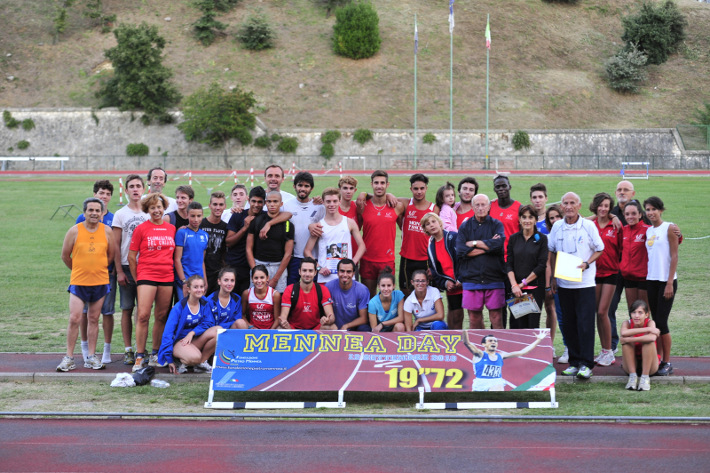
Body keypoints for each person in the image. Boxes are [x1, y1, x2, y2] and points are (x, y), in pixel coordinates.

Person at [548, 192, 604, 380]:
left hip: (585, 284)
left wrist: (587, 263)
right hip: (564, 284)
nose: (569, 206)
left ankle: (587, 364)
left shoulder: (588, 226)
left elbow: (599, 248)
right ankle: (574, 362)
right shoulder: (557, 226)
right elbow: (552, 251)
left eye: (573, 203)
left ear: (579, 206)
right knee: (569, 325)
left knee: (585, 325)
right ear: (561, 206)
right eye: (565, 203)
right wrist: (554, 278)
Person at [57, 198, 115, 372]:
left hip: (100, 282)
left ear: (102, 213)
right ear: (84, 212)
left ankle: (91, 357)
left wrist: (98, 269)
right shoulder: (74, 231)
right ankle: (68, 357)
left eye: (98, 210)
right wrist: (79, 270)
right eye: (91, 210)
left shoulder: (107, 231)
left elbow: (111, 255)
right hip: (78, 282)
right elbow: (65, 255)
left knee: (93, 319)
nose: (94, 213)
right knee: (75, 318)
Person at [128, 193, 176, 372]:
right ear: (147, 210)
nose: (156, 210)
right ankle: (140, 355)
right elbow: (131, 256)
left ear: (164, 208)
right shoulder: (141, 228)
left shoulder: (171, 228)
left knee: (162, 316)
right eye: (153, 208)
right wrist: (137, 279)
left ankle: (156, 353)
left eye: (159, 207)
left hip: (167, 277)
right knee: (143, 315)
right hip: (146, 275)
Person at [75, 180, 116, 365]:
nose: (104, 196)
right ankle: (85, 347)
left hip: (106, 274)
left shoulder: (113, 219)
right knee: (84, 313)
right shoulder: (80, 219)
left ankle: (106, 349)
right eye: (101, 193)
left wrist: (105, 268)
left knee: (106, 311)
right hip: (84, 276)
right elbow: (73, 250)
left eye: (107, 193)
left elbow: (112, 251)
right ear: (95, 194)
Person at [112, 174, 149, 365]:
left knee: (143, 311)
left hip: (146, 267)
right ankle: (128, 349)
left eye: (138, 186)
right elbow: (116, 245)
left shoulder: (149, 213)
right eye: (131, 186)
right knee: (127, 308)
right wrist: (119, 270)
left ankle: (140, 348)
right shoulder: (121, 214)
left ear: (144, 189)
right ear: (126, 191)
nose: (135, 189)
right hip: (127, 267)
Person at [455, 194, 506, 329]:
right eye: (477, 205)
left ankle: (498, 347)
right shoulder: (465, 227)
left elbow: (499, 245)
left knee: (496, 316)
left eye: (483, 204)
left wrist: (474, 243)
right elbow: (460, 251)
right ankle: (478, 347)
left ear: (489, 206)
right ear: (472, 207)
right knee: (474, 317)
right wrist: (489, 247)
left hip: (494, 277)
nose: (480, 208)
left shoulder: (496, 224)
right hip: (471, 278)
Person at [644, 196, 679, 376]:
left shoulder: (670, 228)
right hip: (651, 280)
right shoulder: (649, 231)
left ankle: (667, 361)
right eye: (648, 210)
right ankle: (656, 358)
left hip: (666, 282)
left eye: (653, 209)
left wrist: (669, 282)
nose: (651, 213)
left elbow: (674, 256)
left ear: (661, 210)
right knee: (655, 322)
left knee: (662, 323)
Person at [359, 170, 406, 297]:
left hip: (387, 260)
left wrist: (390, 195)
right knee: (367, 296)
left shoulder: (397, 206)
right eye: (376, 183)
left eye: (382, 183)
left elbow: (404, 228)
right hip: (367, 259)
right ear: (371, 184)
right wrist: (363, 194)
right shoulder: (363, 205)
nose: (379, 186)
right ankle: (369, 318)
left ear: (387, 185)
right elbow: (356, 229)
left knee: (386, 297)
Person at [305, 187, 366, 284]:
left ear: (340, 201)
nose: (332, 204)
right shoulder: (319, 225)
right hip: (325, 278)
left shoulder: (349, 222)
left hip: (346, 277)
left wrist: (353, 262)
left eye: (334, 201)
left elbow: (362, 246)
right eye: (328, 201)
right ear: (323, 203)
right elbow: (307, 251)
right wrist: (319, 267)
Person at [157, 275, 216, 374]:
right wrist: (169, 359)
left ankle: (201, 363)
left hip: (194, 340)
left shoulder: (204, 303)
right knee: (195, 357)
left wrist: (192, 333)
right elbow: (168, 333)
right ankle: (179, 360)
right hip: (180, 342)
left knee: (218, 330)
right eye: (195, 287)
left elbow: (209, 322)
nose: (199, 290)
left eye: (201, 287)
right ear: (188, 289)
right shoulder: (179, 307)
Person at [590, 193, 623, 367]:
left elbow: (622, 249)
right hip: (594, 273)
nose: (603, 209)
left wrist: (614, 216)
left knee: (603, 311)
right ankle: (603, 351)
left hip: (611, 273)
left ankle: (609, 351)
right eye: (601, 205)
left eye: (607, 206)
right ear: (595, 206)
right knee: (598, 312)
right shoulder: (590, 224)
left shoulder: (616, 225)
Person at [506, 205, 548, 329]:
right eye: (524, 217)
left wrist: (523, 284)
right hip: (516, 291)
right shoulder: (514, 238)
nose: (527, 220)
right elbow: (509, 264)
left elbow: (541, 265)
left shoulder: (542, 239)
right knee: (517, 324)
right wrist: (514, 285)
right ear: (519, 219)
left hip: (534, 289)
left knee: (532, 325)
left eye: (530, 217)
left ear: (535, 220)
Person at [463, 330, 547, 391]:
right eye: (490, 341)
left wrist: (538, 340)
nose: (493, 342)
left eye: (495, 341)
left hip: (496, 382)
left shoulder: (501, 355)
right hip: (480, 383)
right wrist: (464, 330)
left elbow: (522, 352)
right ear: (483, 344)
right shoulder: (479, 354)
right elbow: (467, 343)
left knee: (497, 394)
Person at [397, 173, 438, 297]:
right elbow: (384, 198)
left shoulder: (434, 209)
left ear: (426, 188)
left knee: (427, 295)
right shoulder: (405, 204)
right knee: (406, 293)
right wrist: (364, 194)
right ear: (411, 189)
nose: (419, 191)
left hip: (426, 259)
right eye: (416, 188)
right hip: (407, 258)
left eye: (422, 188)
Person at [421, 212, 464, 329]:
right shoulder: (430, 248)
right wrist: (446, 283)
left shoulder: (453, 237)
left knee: (474, 314)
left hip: (465, 282)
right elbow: (435, 271)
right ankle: (456, 343)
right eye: (427, 224)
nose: (432, 225)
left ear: (440, 223)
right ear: (425, 230)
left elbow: (465, 260)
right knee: (456, 316)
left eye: (434, 221)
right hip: (452, 286)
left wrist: (461, 279)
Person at [246, 190, 294, 293]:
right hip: (259, 264)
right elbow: (248, 248)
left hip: (278, 268)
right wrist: (255, 271)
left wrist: (275, 279)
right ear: (265, 203)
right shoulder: (257, 221)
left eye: (275, 201)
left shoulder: (288, 225)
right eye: (269, 201)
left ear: (281, 203)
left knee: (277, 302)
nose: (272, 204)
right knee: (255, 300)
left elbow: (288, 254)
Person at [283, 171, 325, 285]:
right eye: (300, 185)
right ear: (294, 186)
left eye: (306, 186)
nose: (303, 188)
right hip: (293, 257)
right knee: (292, 289)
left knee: (315, 291)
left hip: (314, 257)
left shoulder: (320, 206)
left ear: (311, 188)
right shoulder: (286, 205)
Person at [279, 257, 335, 330]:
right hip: (294, 328)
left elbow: (331, 317)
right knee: (280, 328)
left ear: (315, 272)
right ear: (299, 272)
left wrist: (327, 320)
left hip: (316, 328)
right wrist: (284, 323)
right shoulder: (290, 289)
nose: (307, 274)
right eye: (304, 270)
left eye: (310, 271)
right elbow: (283, 317)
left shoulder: (322, 289)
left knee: (333, 327)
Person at [620, 300, 660, 391]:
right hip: (631, 366)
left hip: (650, 366)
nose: (636, 316)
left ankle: (645, 378)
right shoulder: (627, 323)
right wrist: (648, 329)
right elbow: (623, 332)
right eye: (634, 312)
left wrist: (630, 339)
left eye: (640, 312)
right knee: (626, 343)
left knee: (648, 341)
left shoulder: (651, 322)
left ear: (646, 314)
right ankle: (632, 377)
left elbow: (652, 338)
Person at [174, 202, 208, 301]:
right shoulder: (182, 233)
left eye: (199, 216)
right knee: (185, 309)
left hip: (199, 281)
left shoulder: (205, 235)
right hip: (186, 280)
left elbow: (202, 260)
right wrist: (184, 281)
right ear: (187, 215)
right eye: (192, 216)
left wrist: (204, 280)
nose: (196, 219)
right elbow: (177, 259)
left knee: (198, 310)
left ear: (202, 216)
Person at [325, 259, 371, 331]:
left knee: (364, 328)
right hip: (334, 326)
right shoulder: (328, 287)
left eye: (348, 272)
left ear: (353, 273)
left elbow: (364, 318)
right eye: (342, 271)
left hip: (354, 327)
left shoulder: (362, 290)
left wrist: (347, 326)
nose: (345, 275)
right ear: (337, 272)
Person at [620, 200, 650, 307]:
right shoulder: (623, 230)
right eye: (627, 214)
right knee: (632, 312)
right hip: (628, 277)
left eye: (633, 213)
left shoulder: (648, 230)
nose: (630, 217)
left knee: (643, 313)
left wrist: (678, 236)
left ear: (640, 214)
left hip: (644, 277)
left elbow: (664, 238)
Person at [546, 205, 565, 360]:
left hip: (567, 278)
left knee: (564, 314)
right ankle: (546, 347)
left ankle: (568, 348)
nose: (555, 220)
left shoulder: (569, 230)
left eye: (557, 216)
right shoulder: (548, 235)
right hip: (551, 279)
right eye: (551, 218)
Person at [200, 191, 228, 295]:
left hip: (217, 273)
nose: (218, 207)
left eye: (221, 204)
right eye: (215, 204)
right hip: (202, 272)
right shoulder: (201, 224)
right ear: (209, 206)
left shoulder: (226, 227)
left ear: (225, 206)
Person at [490, 175, 521, 261]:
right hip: (494, 256)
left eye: (504, 186)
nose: (501, 189)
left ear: (509, 187)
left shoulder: (519, 208)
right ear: (494, 189)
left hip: (513, 257)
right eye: (497, 187)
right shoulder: (489, 207)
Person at [242, 265, 281, 329]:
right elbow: (242, 315)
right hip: (253, 330)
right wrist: (250, 327)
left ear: (267, 278)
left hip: (271, 329)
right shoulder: (247, 293)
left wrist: (270, 332)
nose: (259, 281)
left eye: (262, 277)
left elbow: (277, 319)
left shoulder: (275, 294)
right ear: (252, 278)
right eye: (256, 278)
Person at [367, 268, 406, 333]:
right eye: (383, 286)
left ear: (394, 286)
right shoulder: (372, 303)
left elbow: (401, 318)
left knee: (400, 326)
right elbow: (374, 328)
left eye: (389, 285)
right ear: (378, 286)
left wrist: (383, 324)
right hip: (380, 332)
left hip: (394, 329)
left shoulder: (399, 295)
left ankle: (396, 343)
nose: (386, 289)